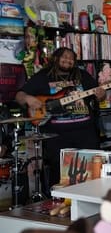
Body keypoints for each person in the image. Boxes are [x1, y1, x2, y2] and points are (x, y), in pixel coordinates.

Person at [15, 47, 105, 195]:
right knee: (60, 178)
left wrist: (102, 94)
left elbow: (98, 96)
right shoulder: (43, 76)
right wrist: (28, 99)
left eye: (71, 58)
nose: (68, 60)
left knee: (92, 173)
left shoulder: (82, 75)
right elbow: (19, 95)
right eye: (64, 57)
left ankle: (90, 201)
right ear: (55, 58)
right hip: (56, 137)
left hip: (86, 134)